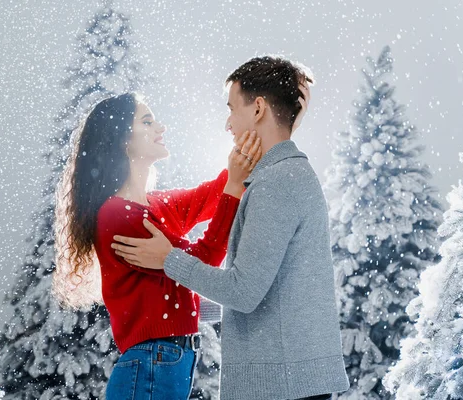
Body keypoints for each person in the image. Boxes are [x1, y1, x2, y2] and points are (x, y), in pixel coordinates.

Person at [111, 56, 350, 400]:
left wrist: (169, 259)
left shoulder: (277, 182)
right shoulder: (282, 176)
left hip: (282, 388)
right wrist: (172, 310)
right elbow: (265, 294)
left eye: (232, 108)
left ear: (257, 109)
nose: (228, 123)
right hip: (290, 383)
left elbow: (242, 292)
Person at [51, 92, 264, 400]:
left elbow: (212, 195)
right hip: (152, 365)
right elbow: (200, 262)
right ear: (122, 139)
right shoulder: (117, 216)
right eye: (147, 121)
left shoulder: (158, 206)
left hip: (163, 364)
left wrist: (252, 141)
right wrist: (234, 185)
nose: (160, 127)